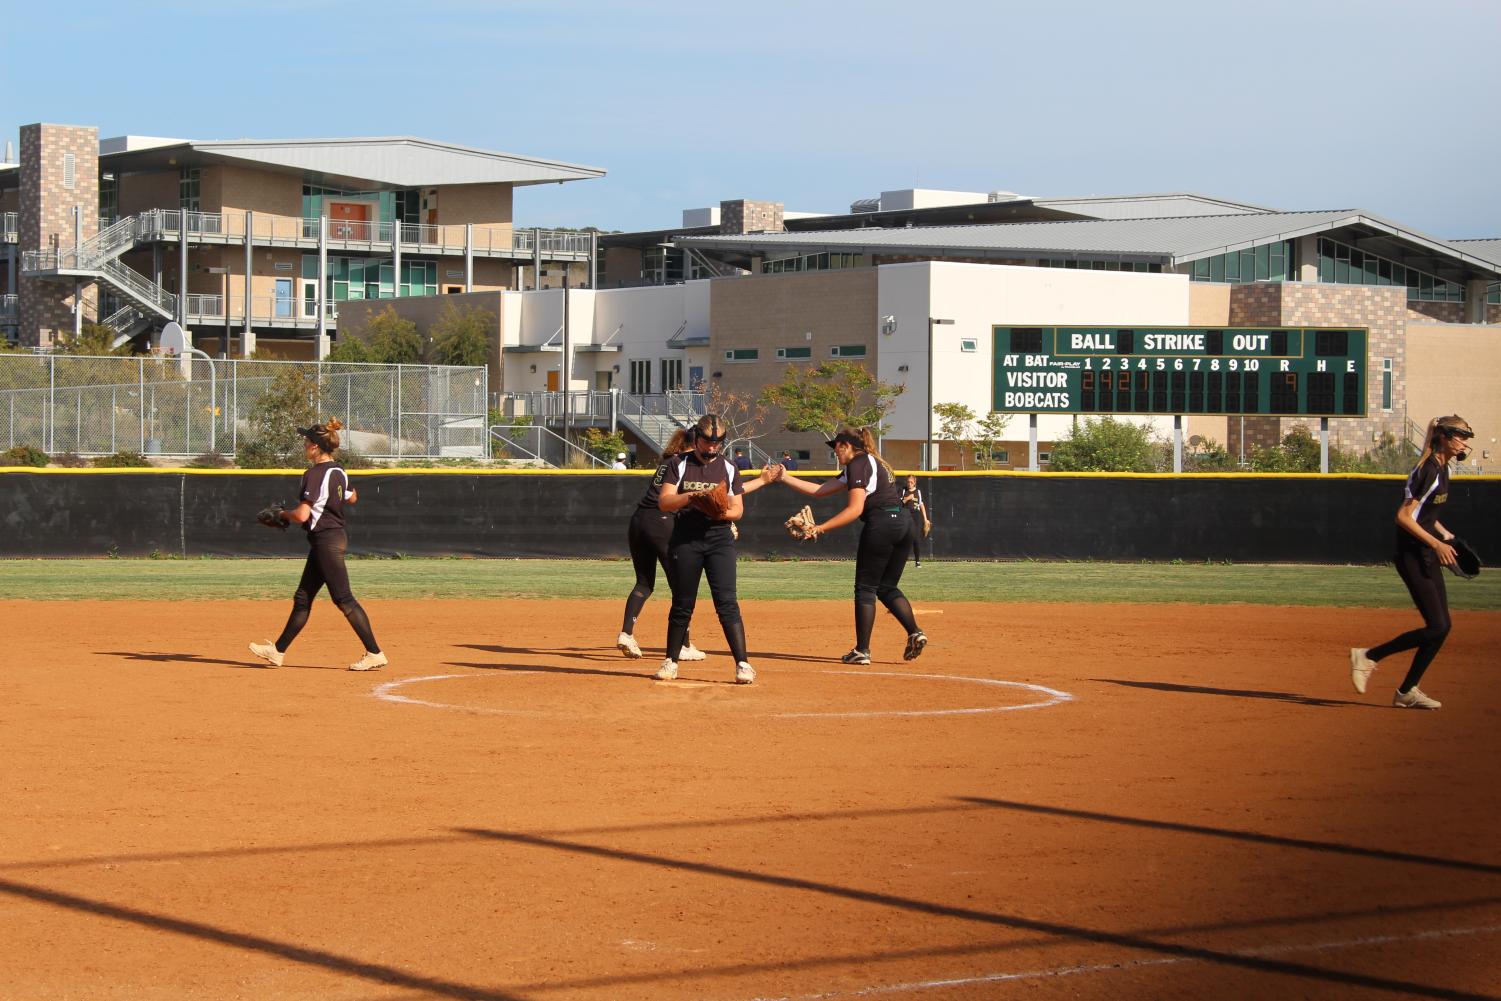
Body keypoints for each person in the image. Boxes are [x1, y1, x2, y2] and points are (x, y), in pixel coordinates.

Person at [1350, 415, 1475, 709]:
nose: (1465, 443)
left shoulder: (1442, 467)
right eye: (1461, 436)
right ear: (1445, 437)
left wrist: (1444, 534)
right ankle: (1368, 657)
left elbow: (1426, 515)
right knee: (1436, 627)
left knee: (1442, 627)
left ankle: (1407, 691)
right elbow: (1403, 516)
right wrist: (1435, 542)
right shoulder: (1430, 471)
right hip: (1412, 556)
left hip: (1426, 553)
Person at [775, 428, 926, 665]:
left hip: (882, 523)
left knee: (865, 588)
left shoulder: (858, 463)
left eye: (836, 446)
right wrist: (784, 477)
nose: (834, 450)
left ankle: (862, 651)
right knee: (886, 587)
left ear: (847, 446)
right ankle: (915, 632)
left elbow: (855, 509)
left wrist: (820, 528)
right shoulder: (873, 462)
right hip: (904, 523)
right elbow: (819, 491)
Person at [249, 418, 387, 672]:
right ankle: (278, 651)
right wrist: (330, 501)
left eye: (306, 441)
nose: (304, 444)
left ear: (315, 447)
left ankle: (374, 653)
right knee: (303, 598)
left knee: (344, 599)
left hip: (326, 540)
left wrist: (281, 514)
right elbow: (352, 497)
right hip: (329, 538)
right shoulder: (339, 470)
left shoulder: (314, 474)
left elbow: (302, 515)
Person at [654, 415, 778, 684]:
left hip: (718, 539)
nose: (711, 448)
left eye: (717, 443)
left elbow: (738, 510)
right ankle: (671, 661)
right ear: (696, 438)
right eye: (707, 442)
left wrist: (718, 509)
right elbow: (664, 502)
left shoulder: (729, 467)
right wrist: (693, 497)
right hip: (686, 539)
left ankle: (743, 664)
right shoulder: (679, 464)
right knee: (682, 604)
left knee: (727, 603)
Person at [617, 429, 707, 663]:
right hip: (662, 523)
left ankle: (626, 633)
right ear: (696, 443)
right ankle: (684, 645)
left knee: (644, 583)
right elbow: (688, 500)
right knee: (681, 586)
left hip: (638, 521)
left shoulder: (668, 460)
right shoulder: (685, 463)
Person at [900, 474, 929, 568]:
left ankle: (917, 561)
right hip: (905, 515)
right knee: (904, 538)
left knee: (916, 539)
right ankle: (900, 560)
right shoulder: (904, 491)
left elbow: (921, 505)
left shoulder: (918, 492)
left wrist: (925, 519)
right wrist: (908, 498)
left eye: (911, 482)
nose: (909, 483)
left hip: (915, 516)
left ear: (914, 483)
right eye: (908, 482)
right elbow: (900, 503)